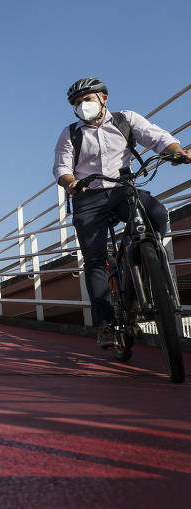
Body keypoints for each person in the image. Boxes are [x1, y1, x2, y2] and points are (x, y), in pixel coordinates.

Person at [52, 77, 191, 349]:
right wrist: (71, 182)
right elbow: (61, 168)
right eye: (77, 103)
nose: (83, 106)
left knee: (157, 213)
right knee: (94, 260)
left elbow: (156, 137)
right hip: (87, 197)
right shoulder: (70, 133)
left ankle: (142, 257)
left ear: (104, 98)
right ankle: (106, 325)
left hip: (122, 189)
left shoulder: (125, 119)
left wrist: (177, 152)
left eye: (87, 99)